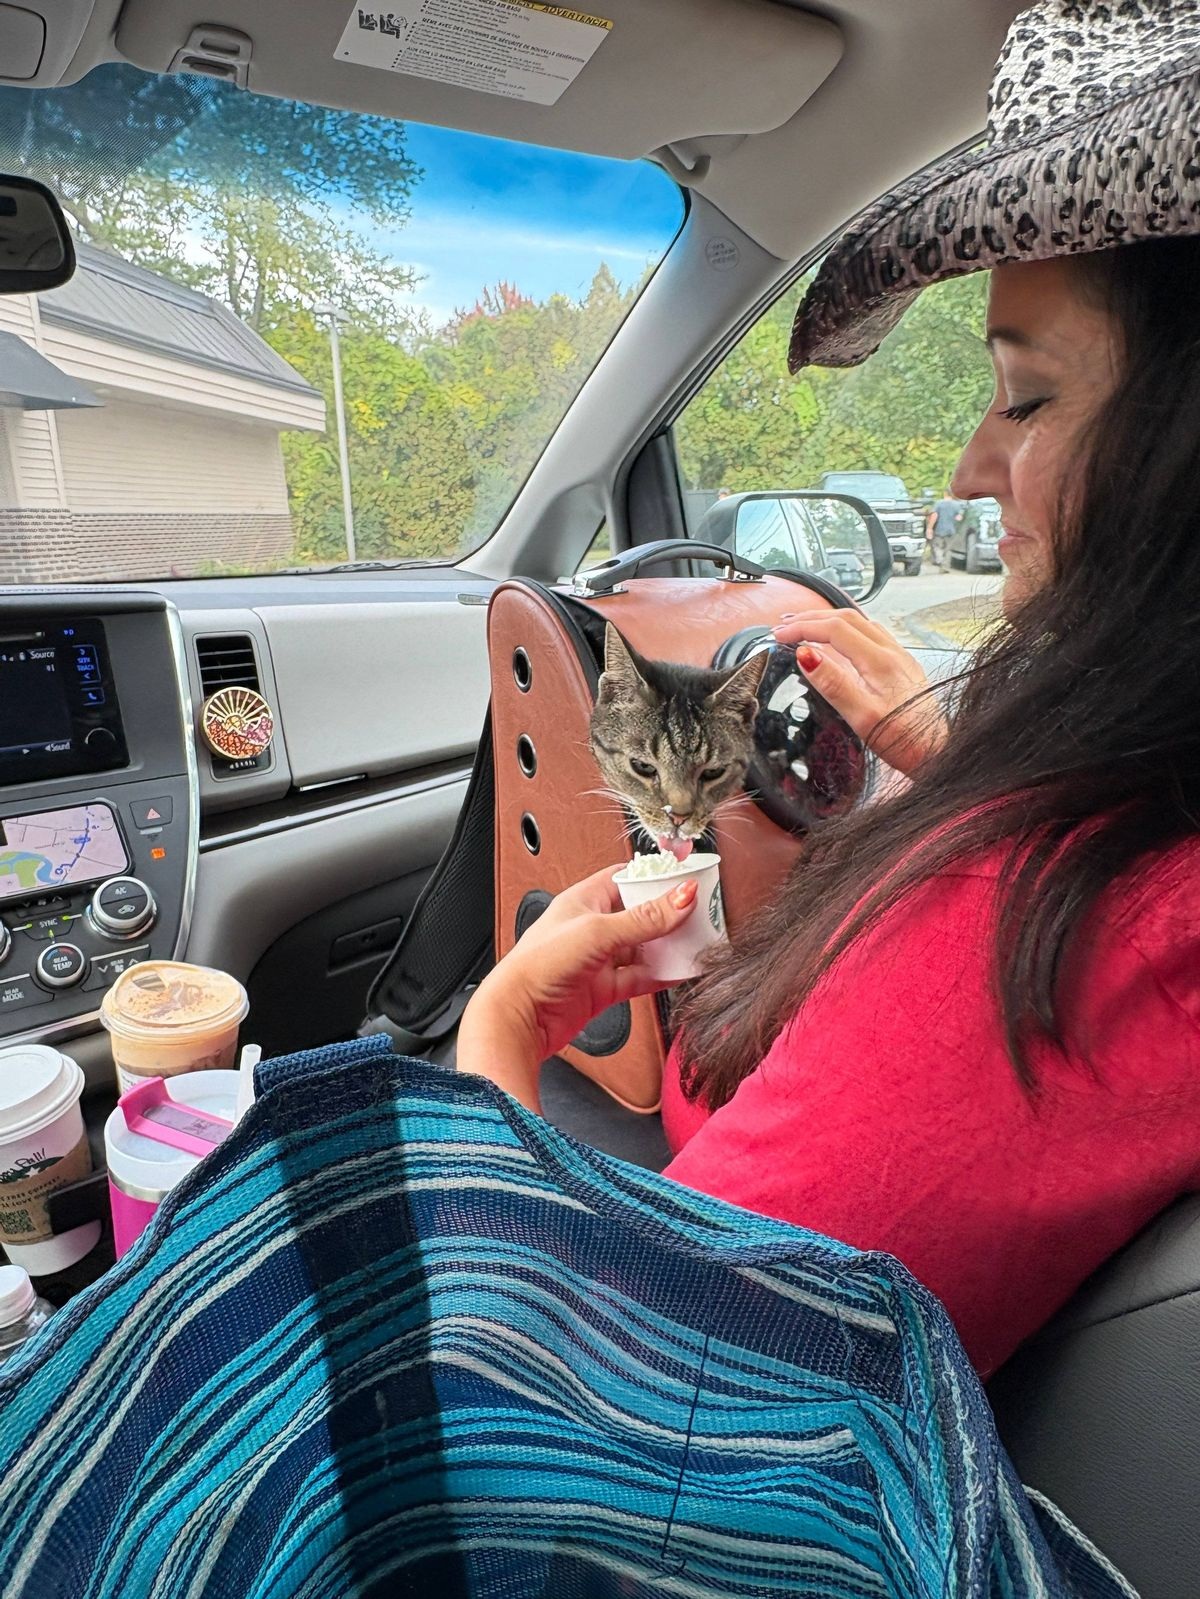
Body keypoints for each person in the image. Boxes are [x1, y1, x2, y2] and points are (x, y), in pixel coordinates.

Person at [457, 0, 1200, 1379]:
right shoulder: (1114, 829)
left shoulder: (1058, 915)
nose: (972, 474)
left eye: (1025, 399)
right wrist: (943, 755)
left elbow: (616, 1395)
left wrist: (496, 1033)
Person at [926, 485, 965, 570]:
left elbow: (934, 516)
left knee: (937, 546)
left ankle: (939, 559)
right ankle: (945, 566)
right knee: (948, 549)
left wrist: (929, 528)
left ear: (945, 493)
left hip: (939, 530)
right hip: (951, 530)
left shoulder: (939, 503)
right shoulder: (957, 505)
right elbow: (959, 518)